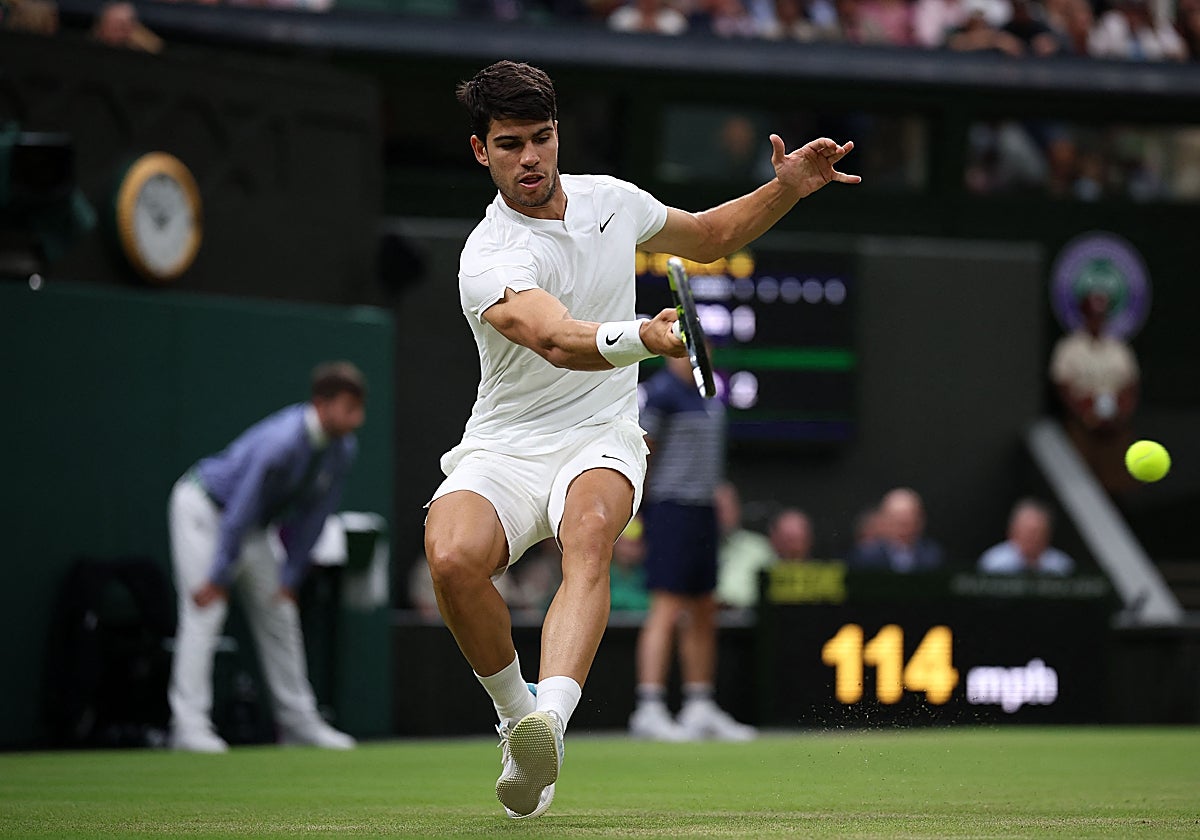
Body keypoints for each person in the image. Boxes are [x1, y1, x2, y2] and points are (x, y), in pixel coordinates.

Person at [423, 59, 858, 820]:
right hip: (505, 440)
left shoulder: (612, 201)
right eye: (509, 144)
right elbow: (555, 339)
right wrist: (645, 335)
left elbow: (715, 237)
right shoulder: (487, 256)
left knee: (589, 535)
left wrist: (788, 185)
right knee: (451, 557)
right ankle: (515, 716)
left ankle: (547, 726)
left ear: (558, 137)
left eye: (542, 138)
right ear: (480, 151)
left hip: (601, 432)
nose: (529, 158)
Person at [166, 361, 365, 753]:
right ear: (321, 404)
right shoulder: (282, 442)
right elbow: (239, 508)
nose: (356, 419)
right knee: (205, 610)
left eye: (360, 408)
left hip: (251, 526)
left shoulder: (342, 449)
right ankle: (187, 727)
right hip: (205, 508)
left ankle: (298, 725)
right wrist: (218, 575)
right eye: (348, 407)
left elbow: (314, 517)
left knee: (281, 614)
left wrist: (290, 579)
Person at [628, 354, 755, 743]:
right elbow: (643, 456)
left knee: (703, 607)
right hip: (669, 510)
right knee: (666, 607)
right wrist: (637, 519)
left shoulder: (709, 392)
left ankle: (699, 704)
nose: (699, 353)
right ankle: (649, 707)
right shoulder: (661, 393)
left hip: (703, 512)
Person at [1049, 289, 1140, 496]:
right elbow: (1063, 387)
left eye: (1101, 316)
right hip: (1082, 426)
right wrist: (1086, 415)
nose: (1096, 321)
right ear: (1084, 316)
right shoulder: (1069, 348)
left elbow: (1131, 387)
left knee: (1118, 486)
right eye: (1092, 315)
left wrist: (1119, 416)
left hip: (1116, 427)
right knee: (1082, 486)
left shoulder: (1119, 348)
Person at [848, 487, 944, 573]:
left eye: (908, 521)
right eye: (897, 521)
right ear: (884, 520)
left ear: (920, 520)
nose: (904, 529)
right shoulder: (866, 556)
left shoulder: (932, 555)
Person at [714, 481, 775, 609]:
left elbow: (772, 597)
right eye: (714, 510)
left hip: (748, 622)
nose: (718, 516)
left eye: (723, 509)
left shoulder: (759, 549)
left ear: (737, 510)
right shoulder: (687, 551)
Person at [978, 499, 1075, 576]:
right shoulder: (993, 563)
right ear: (1013, 532)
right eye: (1028, 533)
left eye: (1039, 533)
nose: (1034, 538)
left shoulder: (1062, 566)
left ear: (1048, 535)